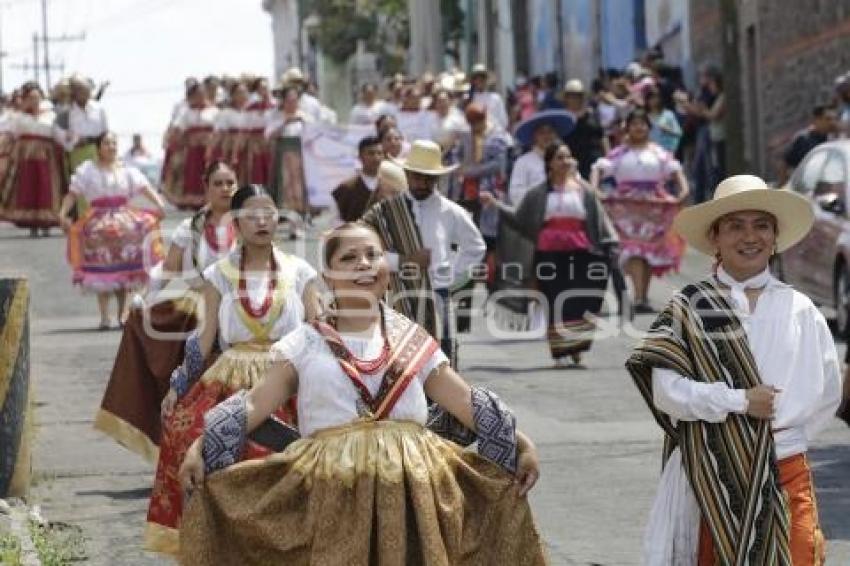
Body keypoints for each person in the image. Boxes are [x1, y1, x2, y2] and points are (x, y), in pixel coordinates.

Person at [176, 222, 546, 565]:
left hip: (416, 496)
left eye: (373, 255)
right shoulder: (304, 343)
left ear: (388, 269)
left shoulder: (413, 340)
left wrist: (518, 442)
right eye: (349, 258)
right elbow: (256, 403)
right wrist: (200, 448)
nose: (363, 265)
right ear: (328, 276)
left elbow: (463, 402)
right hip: (329, 495)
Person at [626, 174, 842, 565]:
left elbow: (826, 394)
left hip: (786, 470)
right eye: (735, 226)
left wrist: (772, 441)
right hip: (716, 477)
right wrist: (740, 403)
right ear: (715, 238)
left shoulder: (800, 310)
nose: (750, 236)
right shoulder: (688, 307)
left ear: (775, 238)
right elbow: (667, 392)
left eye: (761, 225)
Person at [145, 184, 321, 554]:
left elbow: (319, 330)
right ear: (236, 224)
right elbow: (203, 338)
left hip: (287, 376)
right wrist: (179, 385)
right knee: (188, 436)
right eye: (251, 215)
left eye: (269, 213)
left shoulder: (300, 271)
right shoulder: (218, 274)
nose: (262, 221)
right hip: (229, 379)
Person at [94, 161, 239, 462]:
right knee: (170, 353)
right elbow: (169, 270)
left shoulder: (247, 224)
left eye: (230, 183)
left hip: (241, 306)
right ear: (206, 187)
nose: (226, 189)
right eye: (219, 183)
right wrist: (146, 300)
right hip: (198, 305)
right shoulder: (191, 228)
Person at [482, 142, 617, 366]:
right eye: (559, 158)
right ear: (550, 164)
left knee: (583, 300)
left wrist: (611, 241)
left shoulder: (584, 191)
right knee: (555, 303)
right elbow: (519, 219)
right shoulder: (537, 194)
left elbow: (600, 220)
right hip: (549, 255)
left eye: (567, 157)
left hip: (582, 252)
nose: (565, 162)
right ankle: (561, 350)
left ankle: (576, 345)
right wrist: (496, 204)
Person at [362, 140, 485, 366]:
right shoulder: (386, 212)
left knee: (440, 357)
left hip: (438, 295)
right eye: (417, 176)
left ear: (437, 179)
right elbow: (363, 249)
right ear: (407, 175)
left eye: (428, 178)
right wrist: (402, 261)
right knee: (400, 360)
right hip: (398, 294)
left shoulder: (451, 211)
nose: (421, 183)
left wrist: (451, 277)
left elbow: (476, 247)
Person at [58, 132, 165, 329]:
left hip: (124, 220)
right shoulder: (88, 170)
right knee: (102, 272)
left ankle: (122, 313)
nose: (111, 146)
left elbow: (144, 188)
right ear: (98, 147)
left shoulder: (127, 170)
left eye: (114, 143)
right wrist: (63, 213)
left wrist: (159, 204)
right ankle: (104, 315)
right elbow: (72, 194)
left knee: (125, 271)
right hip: (98, 222)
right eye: (107, 143)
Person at [590, 108, 689, 313]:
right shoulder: (619, 153)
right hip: (625, 207)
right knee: (634, 249)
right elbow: (599, 169)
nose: (638, 127)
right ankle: (638, 296)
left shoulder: (658, 152)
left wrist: (683, 191)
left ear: (649, 128)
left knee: (648, 252)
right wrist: (596, 190)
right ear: (628, 127)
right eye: (634, 123)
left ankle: (643, 296)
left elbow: (675, 170)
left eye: (642, 123)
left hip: (654, 207)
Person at [0, 81, 69, 237]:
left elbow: (58, 135)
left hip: (47, 154)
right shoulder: (17, 117)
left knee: (47, 185)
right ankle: (32, 223)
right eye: (31, 97)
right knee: (28, 185)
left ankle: (46, 222)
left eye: (37, 97)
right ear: (25, 99)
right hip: (25, 154)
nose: (34, 100)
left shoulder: (51, 115)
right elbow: (8, 134)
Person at [162, 82, 218, 209]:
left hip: (209, 148)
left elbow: (219, 129)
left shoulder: (214, 111)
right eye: (197, 94)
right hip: (192, 149)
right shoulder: (186, 112)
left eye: (202, 93)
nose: (200, 96)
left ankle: (208, 199)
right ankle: (190, 201)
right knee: (192, 173)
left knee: (209, 172)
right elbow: (177, 129)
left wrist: (210, 140)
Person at [265, 84, 311, 237]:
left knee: (301, 190)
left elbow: (315, 134)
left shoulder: (305, 116)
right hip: (284, 156)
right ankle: (292, 224)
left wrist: (302, 123)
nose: (292, 103)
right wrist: (285, 123)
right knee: (287, 191)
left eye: (295, 100)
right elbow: (269, 136)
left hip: (302, 156)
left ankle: (302, 221)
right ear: (283, 101)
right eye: (289, 100)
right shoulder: (276, 116)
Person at [562, 79, 608, 181]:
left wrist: (608, 156)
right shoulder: (563, 118)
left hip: (595, 162)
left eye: (578, 96)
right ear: (566, 98)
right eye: (571, 96)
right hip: (574, 163)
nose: (575, 99)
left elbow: (602, 136)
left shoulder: (592, 115)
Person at [780, 104, 839, 184]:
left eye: (835, 119)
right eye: (828, 119)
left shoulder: (835, 140)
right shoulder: (804, 139)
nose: (832, 122)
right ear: (817, 120)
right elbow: (786, 164)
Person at [331, 135, 384, 222]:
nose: (376, 158)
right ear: (360, 157)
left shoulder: (391, 186)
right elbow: (338, 221)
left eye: (379, 153)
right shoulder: (346, 188)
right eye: (371, 153)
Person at [67, 75, 109, 175]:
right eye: (79, 90)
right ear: (73, 93)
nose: (84, 93)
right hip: (76, 155)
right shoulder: (66, 113)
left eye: (86, 89)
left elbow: (105, 133)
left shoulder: (99, 109)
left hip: (97, 152)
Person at [469, 63, 509, 131]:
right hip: (476, 134)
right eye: (476, 78)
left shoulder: (496, 98)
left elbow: (503, 120)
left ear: (486, 80)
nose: (479, 81)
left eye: (482, 78)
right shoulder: (469, 99)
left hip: (494, 134)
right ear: (473, 81)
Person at [644, 85, 682, 154]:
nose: (654, 101)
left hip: (665, 151)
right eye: (651, 98)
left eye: (656, 98)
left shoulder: (668, 114)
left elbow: (679, 133)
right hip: (648, 151)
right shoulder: (644, 116)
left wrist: (668, 130)